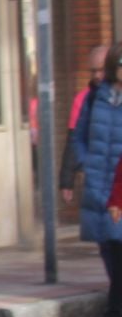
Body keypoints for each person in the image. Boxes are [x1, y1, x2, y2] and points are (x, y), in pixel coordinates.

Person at [72, 42, 122, 317]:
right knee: (109, 250)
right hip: (100, 184)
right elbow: (79, 136)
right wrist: (84, 164)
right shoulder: (95, 98)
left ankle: (114, 314)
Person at [61, 44, 111, 207]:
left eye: (101, 70)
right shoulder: (83, 100)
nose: (97, 75)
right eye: (93, 71)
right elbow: (73, 140)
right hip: (94, 176)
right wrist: (67, 180)